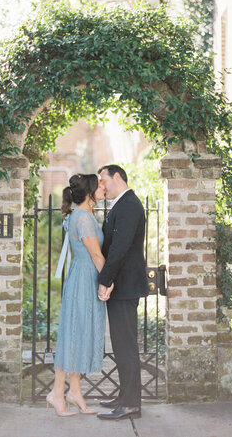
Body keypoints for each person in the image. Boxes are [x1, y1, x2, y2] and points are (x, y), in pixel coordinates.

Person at [46, 173, 113, 417]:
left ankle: (74, 391)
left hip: (84, 277)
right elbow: (96, 255)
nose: (102, 189)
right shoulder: (83, 218)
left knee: (79, 332)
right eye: (99, 186)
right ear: (89, 193)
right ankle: (56, 393)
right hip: (85, 277)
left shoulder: (82, 215)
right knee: (73, 334)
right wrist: (108, 281)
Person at [96, 164, 149, 421]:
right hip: (122, 285)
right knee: (121, 346)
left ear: (117, 176)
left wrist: (105, 280)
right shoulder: (121, 203)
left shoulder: (129, 204)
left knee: (126, 347)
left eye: (103, 179)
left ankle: (130, 404)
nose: (101, 185)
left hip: (125, 286)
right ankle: (125, 397)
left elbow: (119, 248)